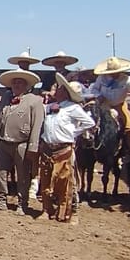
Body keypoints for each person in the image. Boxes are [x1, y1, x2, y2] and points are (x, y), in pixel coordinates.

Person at [38, 73, 95, 225]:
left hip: (64, 149)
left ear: (64, 92)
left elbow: (89, 123)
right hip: (48, 148)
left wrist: (72, 134)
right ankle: (47, 209)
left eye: (57, 88)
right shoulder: (48, 107)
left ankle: (72, 211)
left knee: (69, 181)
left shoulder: (73, 108)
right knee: (45, 179)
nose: (54, 90)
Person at [0, 70, 45, 215]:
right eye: (14, 82)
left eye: (20, 82)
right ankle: (1, 201)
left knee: (23, 175)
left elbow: (37, 124)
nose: (16, 85)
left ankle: (22, 204)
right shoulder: (6, 99)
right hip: (4, 142)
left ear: (26, 85)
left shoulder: (35, 101)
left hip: (23, 143)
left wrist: (33, 146)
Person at [88, 56, 130, 156]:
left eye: (115, 72)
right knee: (89, 124)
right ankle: (88, 150)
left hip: (120, 106)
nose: (114, 74)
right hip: (103, 106)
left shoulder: (127, 79)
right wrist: (99, 96)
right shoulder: (101, 78)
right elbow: (94, 89)